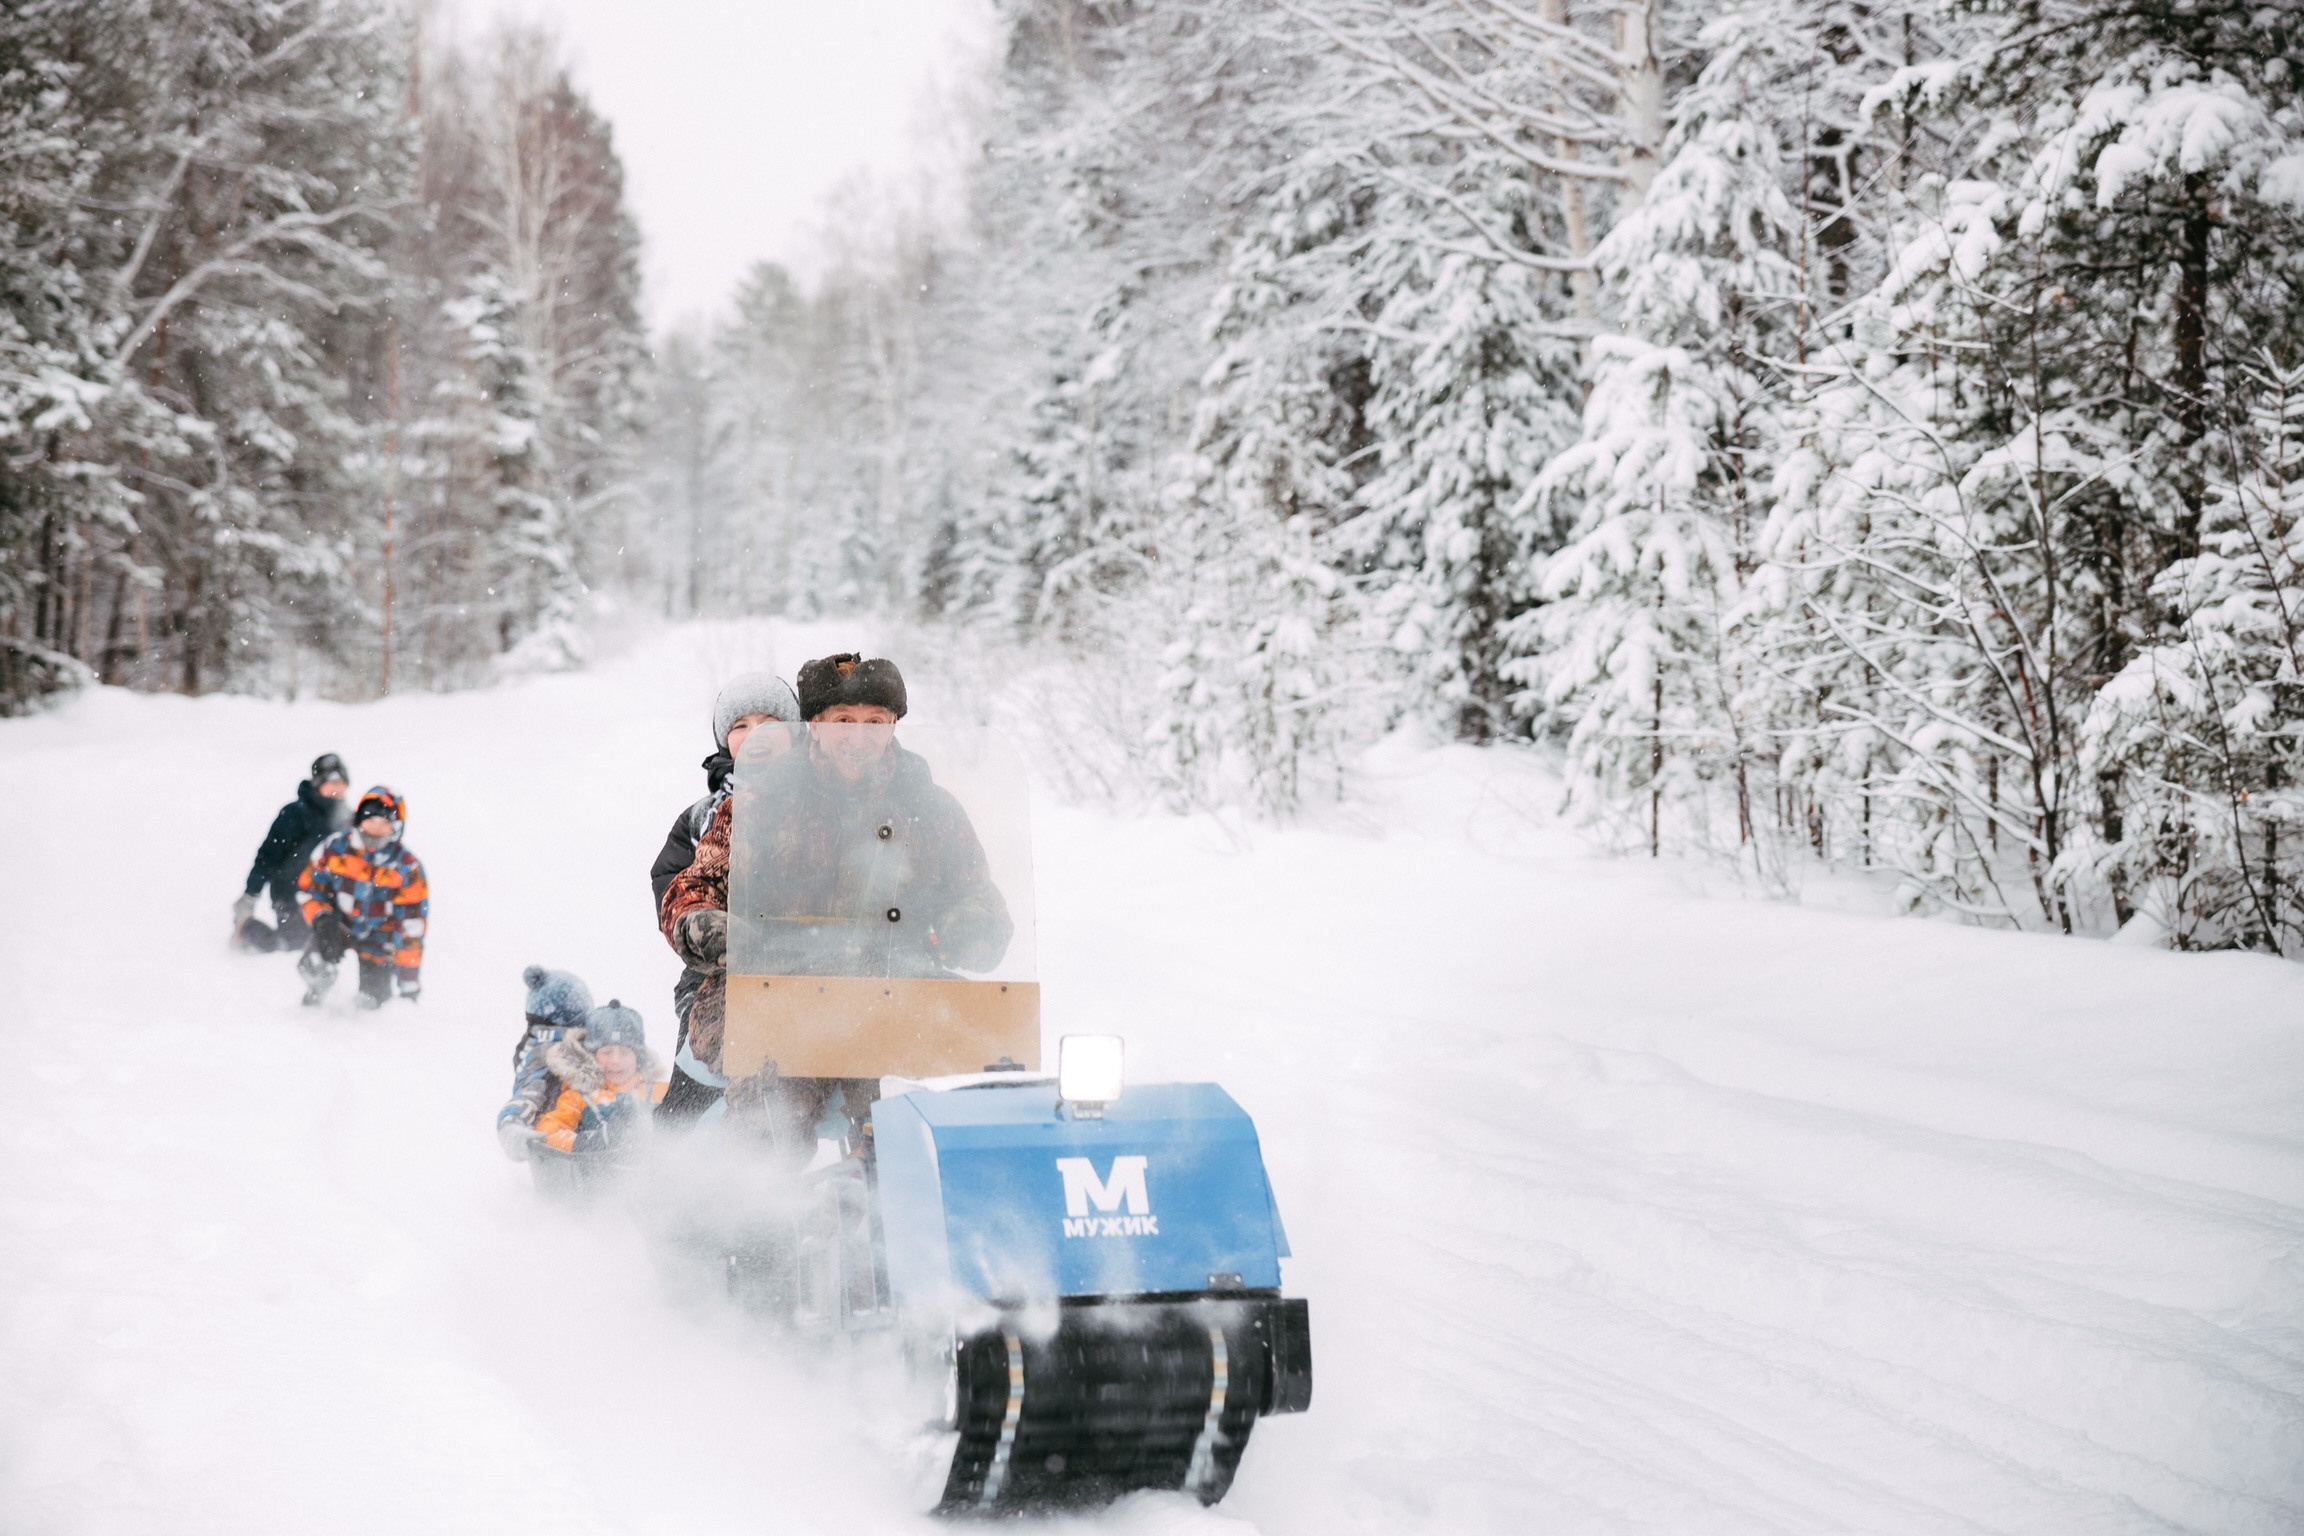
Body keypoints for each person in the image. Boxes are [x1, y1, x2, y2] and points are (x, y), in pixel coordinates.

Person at [659, 652, 1012, 1153]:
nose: (858, 736)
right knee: (772, 1115)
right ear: (815, 727)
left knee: (950, 1095)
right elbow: (693, 888)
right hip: (780, 991)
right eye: (843, 721)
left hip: (896, 988)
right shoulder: (762, 801)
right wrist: (708, 926)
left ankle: (945, 1204)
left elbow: (978, 895)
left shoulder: (931, 806)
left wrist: (972, 927)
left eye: (875, 722)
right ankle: (746, 1217)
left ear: (894, 727)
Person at [650, 673, 799, 1122]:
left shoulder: (820, 800)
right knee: (697, 1076)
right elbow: (673, 883)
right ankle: (673, 1147)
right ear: (724, 740)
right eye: (741, 725)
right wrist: (703, 928)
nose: (756, 735)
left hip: (809, 962)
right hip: (722, 968)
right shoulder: (702, 817)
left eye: (770, 722)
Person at [500, 1000, 664, 1192]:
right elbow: (549, 1131)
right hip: (595, 1186)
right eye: (607, 1052)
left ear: (639, 1057)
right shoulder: (580, 1096)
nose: (616, 1061)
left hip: (650, 1185)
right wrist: (586, 1143)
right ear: (591, 1056)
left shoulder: (658, 1092)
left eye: (625, 1052)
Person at [296, 786, 428, 1010]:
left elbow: (411, 930)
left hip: (379, 937)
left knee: (373, 1004)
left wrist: (409, 984)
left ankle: (364, 1017)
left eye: (383, 823)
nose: (375, 829)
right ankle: (318, 989)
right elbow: (309, 889)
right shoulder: (335, 849)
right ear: (359, 820)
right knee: (311, 964)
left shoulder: (406, 869)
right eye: (370, 821)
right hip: (338, 925)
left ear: (395, 827)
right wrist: (322, 919)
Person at [233, 754, 352, 951]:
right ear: (318, 783)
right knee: (292, 944)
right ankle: (246, 928)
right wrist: (250, 894)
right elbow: (267, 856)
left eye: (341, 783)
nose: (337, 789)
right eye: (331, 782)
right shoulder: (296, 813)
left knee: (337, 941)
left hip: (327, 894)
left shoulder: (347, 818)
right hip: (289, 891)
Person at [496, 965, 596, 1155]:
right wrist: (512, 1124)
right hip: (560, 1138)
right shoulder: (545, 1050)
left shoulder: (579, 1041)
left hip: (583, 1126)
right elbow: (529, 1091)